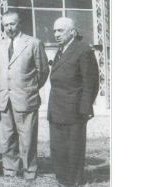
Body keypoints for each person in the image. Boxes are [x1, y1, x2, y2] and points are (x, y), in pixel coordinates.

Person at [0, 11, 50, 181]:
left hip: (26, 98)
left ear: (20, 23)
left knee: (27, 138)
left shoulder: (33, 43)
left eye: (12, 23)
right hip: (5, 99)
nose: (9, 28)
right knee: (7, 138)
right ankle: (10, 170)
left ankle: (29, 171)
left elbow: (43, 71)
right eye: (6, 25)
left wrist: (29, 88)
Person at [48, 17, 99, 187]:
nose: (56, 34)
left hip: (75, 110)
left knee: (74, 148)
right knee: (58, 147)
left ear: (72, 31)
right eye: (54, 31)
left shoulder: (83, 50)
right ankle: (63, 178)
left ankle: (75, 180)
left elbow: (90, 82)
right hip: (56, 108)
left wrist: (84, 109)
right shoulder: (61, 49)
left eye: (60, 30)